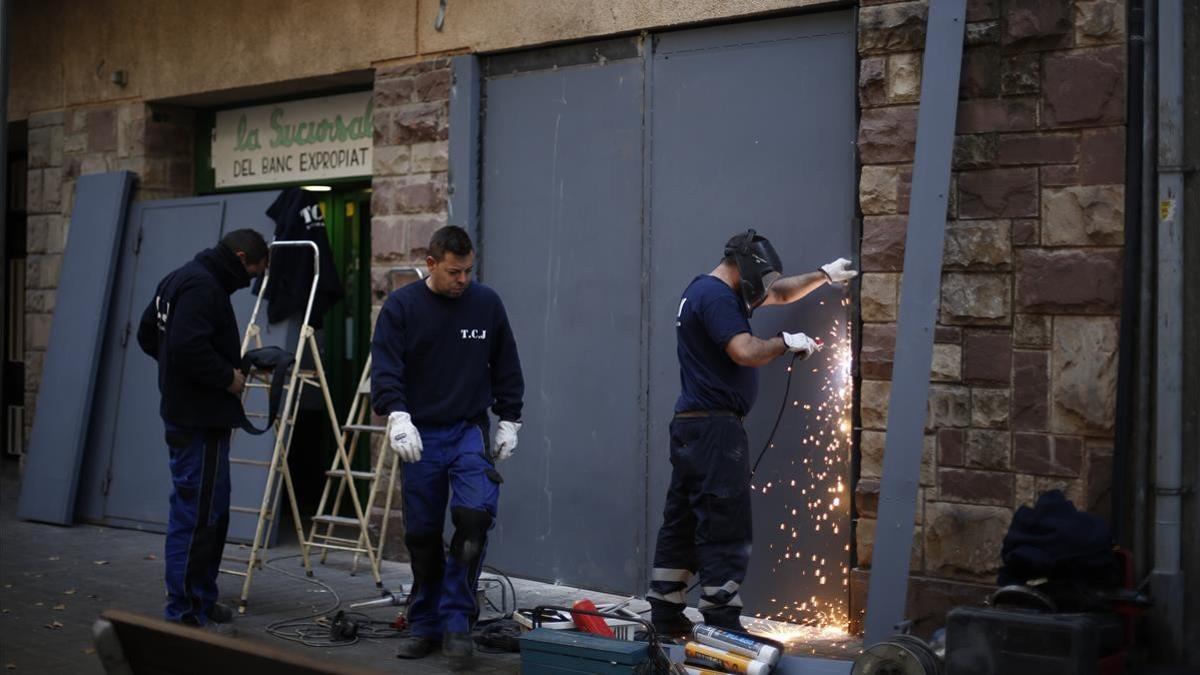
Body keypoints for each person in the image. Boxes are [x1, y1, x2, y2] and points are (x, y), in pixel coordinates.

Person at [647, 229, 857, 635]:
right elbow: (743, 350)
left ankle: (666, 613)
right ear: (744, 269)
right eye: (759, 279)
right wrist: (783, 342)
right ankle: (721, 620)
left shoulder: (706, 292)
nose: (763, 291)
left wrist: (823, 275)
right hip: (715, 431)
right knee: (725, 519)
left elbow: (778, 293)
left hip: (693, 427)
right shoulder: (717, 297)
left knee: (684, 518)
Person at [371, 225, 525, 668]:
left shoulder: (485, 303)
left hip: (466, 431)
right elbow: (386, 368)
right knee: (421, 535)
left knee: (475, 519)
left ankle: (457, 622)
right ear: (431, 263)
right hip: (421, 432)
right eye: (455, 272)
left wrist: (509, 419)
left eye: (469, 271)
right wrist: (396, 415)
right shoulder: (402, 307)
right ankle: (425, 623)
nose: (463, 280)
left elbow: (507, 364)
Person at [136, 228, 269, 627]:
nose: (249, 283)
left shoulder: (179, 278)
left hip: (189, 413)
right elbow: (186, 346)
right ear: (241, 257)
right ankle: (186, 612)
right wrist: (226, 378)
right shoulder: (202, 285)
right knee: (197, 516)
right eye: (252, 273)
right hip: (198, 419)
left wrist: (177, 377)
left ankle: (201, 600)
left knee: (209, 511)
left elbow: (149, 336)